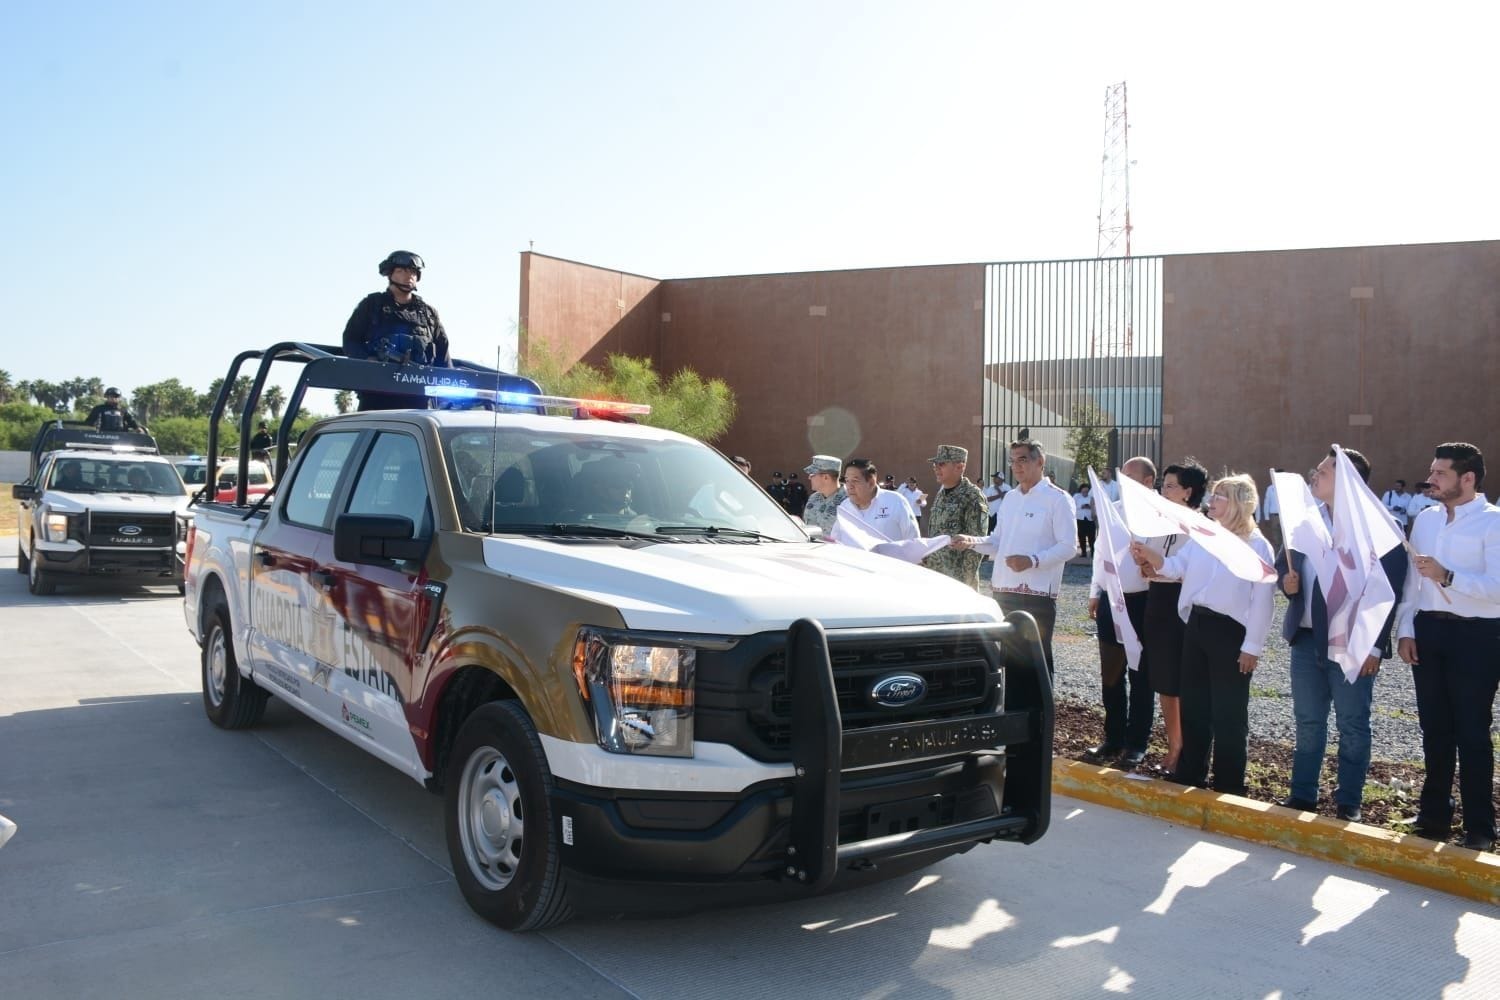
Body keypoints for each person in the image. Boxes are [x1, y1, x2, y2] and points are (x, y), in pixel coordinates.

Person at [1277, 448, 1407, 822]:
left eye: (1322, 471)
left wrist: (1376, 647)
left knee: (1352, 724)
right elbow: (1284, 567)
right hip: (1306, 640)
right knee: (1308, 720)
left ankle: (1348, 801)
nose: (1314, 476)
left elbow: (1390, 592)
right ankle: (1302, 795)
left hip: (1352, 642)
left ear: (1348, 479)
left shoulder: (1380, 528)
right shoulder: (1305, 520)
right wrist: (1289, 585)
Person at [1134, 474, 1274, 796]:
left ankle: (1229, 784)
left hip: (1231, 632)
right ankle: (1191, 774)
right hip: (1195, 625)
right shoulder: (1204, 535)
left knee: (1228, 712)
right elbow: (1176, 567)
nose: (1212, 500)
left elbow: (1264, 601)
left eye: (1220, 496)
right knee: (1195, 706)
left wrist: (1252, 646)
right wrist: (1150, 556)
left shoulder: (1256, 545)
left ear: (1239, 502)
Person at [1396, 442, 1500, 851]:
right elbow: (1411, 582)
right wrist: (1406, 628)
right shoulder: (1424, 520)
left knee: (1473, 732)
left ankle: (1480, 828)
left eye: (1440, 473)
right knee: (1434, 729)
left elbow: (1497, 589)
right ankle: (1434, 816)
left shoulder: (1493, 523)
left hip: (1478, 637)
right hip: (1429, 633)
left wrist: (1449, 576)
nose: (1431, 478)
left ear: (1468, 478)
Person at [952, 440, 1077, 675]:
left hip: (1036, 595)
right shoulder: (1010, 498)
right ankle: (1011, 711)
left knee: (1035, 663)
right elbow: (997, 542)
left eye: (1022, 459)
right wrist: (970, 542)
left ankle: (1040, 713)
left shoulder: (1058, 499)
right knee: (1009, 661)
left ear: (1040, 462)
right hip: (1004, 591)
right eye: (1012, 460)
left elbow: (1069, 547)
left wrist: (1032, 560)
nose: (1016, 466)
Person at [1087, 457, 1158, 767]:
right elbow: (1101, 551)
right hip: (1111, 601)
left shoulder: (1160, 512)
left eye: (1130, 476)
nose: (1123, 481)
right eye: (1121, 476)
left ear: (1147, 481)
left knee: (1141, 674)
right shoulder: (1112, 508)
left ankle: (1136, 743)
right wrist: (1094, 591)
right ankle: (1113, 738)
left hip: (1144, 602)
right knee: (1112, 674)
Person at [1143, 459, 1208, 777]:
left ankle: (1190, 753)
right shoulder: (1157, 522)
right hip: (1157, 601)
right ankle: (1174, 745)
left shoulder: (1200, 526)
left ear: (1187, 492)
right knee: (1165, 681)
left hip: (1182, 605)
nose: (1163, 491)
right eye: (1162, 485)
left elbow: (1194, 571)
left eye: (1170, 485)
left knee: (1187, 681)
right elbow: (1153, 566)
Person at [342, 250, 450, 411]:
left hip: (418, 397)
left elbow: (443, 353)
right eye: (401, 271)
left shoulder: (428, 313)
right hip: (377, 393)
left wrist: (446, 387)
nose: (409, 276)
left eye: (413, 272)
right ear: (390, 274)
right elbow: (350, 340)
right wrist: (367, 359)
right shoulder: (372, 305)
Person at [920, 445, 988, 589]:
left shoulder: (972, 496)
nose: (936, 468)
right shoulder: (941, 494)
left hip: (957, 581)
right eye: (935, 464)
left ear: (959, 467)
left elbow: (975, 546)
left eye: (942, 464)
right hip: (935, 577)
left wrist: (967, 586)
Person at [838, 459, 919, 540]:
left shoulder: (896, 502)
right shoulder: (844, 507)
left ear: (871, 482)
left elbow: (914, 540)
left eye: (855, 480)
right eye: (847, 480)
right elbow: (836, 540)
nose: (849, 486)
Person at [800, 455, 845, 535]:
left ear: (826, 477)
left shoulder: (848, 500)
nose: (809, 478)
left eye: (812, 474)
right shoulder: (813, 498)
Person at [1073, 482, 1096, 558]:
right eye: (1083, 492)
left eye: (1086, 492)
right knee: (1081, 536)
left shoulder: (1091, 497)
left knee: (1092, 537)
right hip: (1080, 519)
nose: (1085, 493)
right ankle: (1083, 552)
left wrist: (1090, 507)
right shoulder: (1076, 496)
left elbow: (1094, 506)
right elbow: (1073, 506)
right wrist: (1081, 506)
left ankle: (1093, 552)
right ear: (1081, 491)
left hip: (1090, 519)